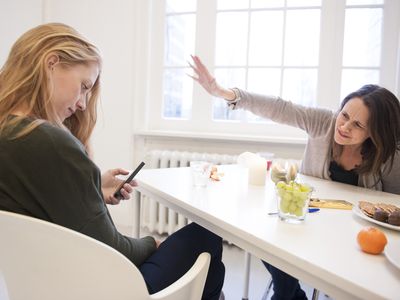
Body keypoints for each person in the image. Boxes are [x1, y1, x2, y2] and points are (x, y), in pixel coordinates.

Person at [0, 24, 225, 300]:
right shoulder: (50, 142)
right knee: (206, 236)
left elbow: (41, 204)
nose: (83, 104)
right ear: (52, 64)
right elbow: (115, 250)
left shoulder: (9, 132)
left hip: (40, 283)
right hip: (98, 289)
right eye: (84, 86)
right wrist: (152, 243)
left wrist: (92, 186)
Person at [189, 55, 400, 299]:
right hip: (309, 217)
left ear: (375, 133)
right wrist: (224, 92)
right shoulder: (324, 122)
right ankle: (289, 292)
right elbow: (280, 108)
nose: (344, 127)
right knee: (263, 235)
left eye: (358, 126)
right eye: (344, 115)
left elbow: (394, 206)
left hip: (353, 234)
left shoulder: (388, 155)